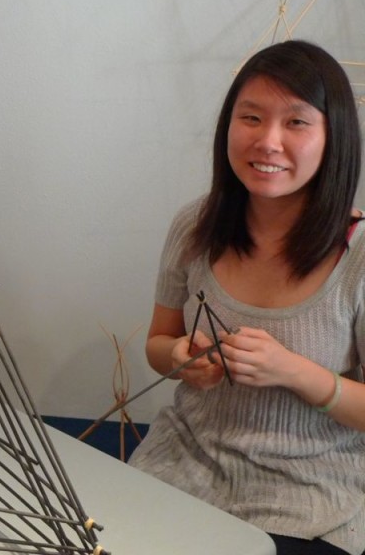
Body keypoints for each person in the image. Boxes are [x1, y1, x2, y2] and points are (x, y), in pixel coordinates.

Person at [127, 39, 365, 555]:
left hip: (308, 498)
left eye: (296, 123)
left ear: (334, 137)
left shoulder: (360, 255)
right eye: (251, 117)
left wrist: (295, 373)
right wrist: (179, 357)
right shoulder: (196, 224)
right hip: (180, 469)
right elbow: (157, 342)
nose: (268, 142)